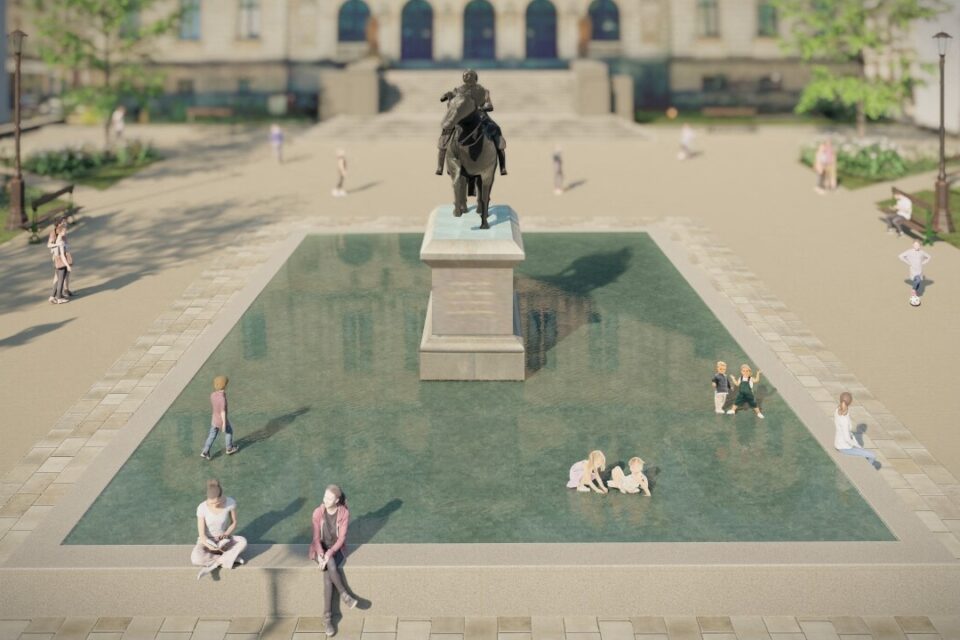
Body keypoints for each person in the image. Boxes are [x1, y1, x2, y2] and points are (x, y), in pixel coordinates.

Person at [436, 69, 507, 176]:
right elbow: (452, 103)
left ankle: (502, 164)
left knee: (496, 129)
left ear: (475, 78)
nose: (467, 77)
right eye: (466, 75)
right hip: (460, 117)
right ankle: (440, 165)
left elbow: (489, 105)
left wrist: (485, 106)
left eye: (470, 75)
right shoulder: (457, 90)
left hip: (480, 116)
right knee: (446, 132)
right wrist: (448, 96)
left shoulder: (483, 91)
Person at [309, 484, 359, 635]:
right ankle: (344, 594)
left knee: (328, 573)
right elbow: (316, 538)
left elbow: (342, 538)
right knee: (329, 565)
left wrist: (329, 554)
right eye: (324, 496)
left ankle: (327, 619)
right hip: (319, 549)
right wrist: (320, 554)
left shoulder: (344, 513)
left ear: (337, 500)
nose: (325, 500)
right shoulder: (318, 512)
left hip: (336, 550)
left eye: (329, 498)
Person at [192, 479, 248, 579]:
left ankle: (216, 563)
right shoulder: (201, 508)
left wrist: (226, 534)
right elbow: (201, 534)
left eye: (216, 502)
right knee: (195, 558)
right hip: (207, 541)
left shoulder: (230, 502)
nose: (214, 505)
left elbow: (234, 522)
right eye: (211, 502)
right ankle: (229, 558)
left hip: (223, 540)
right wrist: (208, 544)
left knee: (243, 541)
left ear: (221, 496)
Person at [833, 392, 879, 468]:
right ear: (850, 402)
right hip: (844, 447)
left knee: (863, 450)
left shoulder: (838, 409)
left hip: (841, 443)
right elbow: (847, 439)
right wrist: (857, 446)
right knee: (872, 455)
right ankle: (867, 470)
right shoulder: (844, 420)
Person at [201, 375, 238, 459]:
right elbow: (223, 411)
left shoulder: (213, 395)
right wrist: (224, 423)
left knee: (212, 435)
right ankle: (229, 448)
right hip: (221, 420)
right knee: (229, 432)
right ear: (224, 385)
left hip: (214, 419)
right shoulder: (222, 398)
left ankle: (205, 451)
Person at [47, 218, 72, 301]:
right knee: (58, 277)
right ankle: (55, 295)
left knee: (65, 275)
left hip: (64, 255)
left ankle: (65, 290)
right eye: (63, 223)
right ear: (59, 225)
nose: (65, 223)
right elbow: (49, 245)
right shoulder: (54, 233)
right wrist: (57, 245)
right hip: (59, 257)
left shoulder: (63, 232)